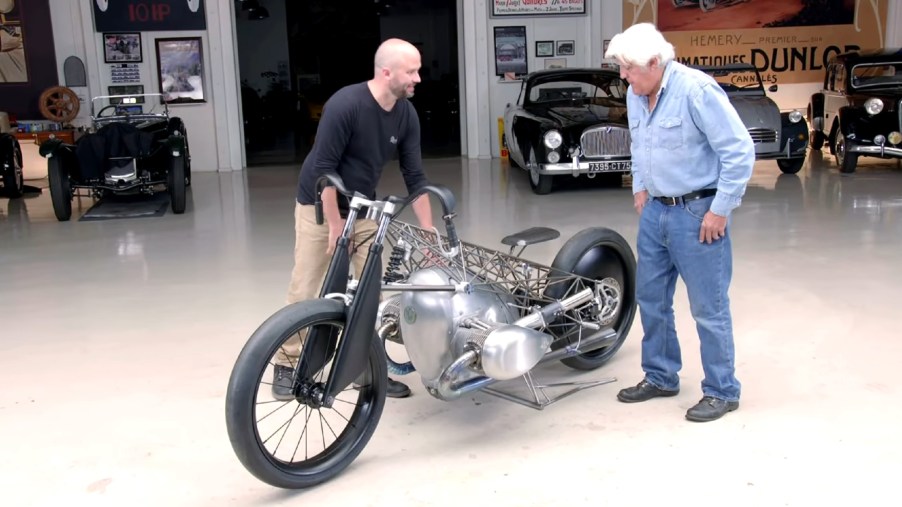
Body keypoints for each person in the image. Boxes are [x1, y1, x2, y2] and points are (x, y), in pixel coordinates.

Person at [604, 23, 754, 422]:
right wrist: (640, 187)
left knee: (709, 307)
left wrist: (719, 210)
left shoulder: (697, 91)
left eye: (628, 68)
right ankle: (660, 376)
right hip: (655, 212)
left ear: (655, 62)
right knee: (651, 300)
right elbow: (640, 143)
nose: (623, 76)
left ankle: (722, 390)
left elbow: (739, 151)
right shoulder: (638, 92)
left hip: (698, 214)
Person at [273, 38, 434, 401]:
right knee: (308, 287)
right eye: (412, 71)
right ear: (386, 71)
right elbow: (324, 171)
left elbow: (416, 178)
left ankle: (365, 368)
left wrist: (429, 230)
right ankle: (286, 364)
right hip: (319, 205)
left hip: (363, 208)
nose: (418, 79)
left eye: (418, 70)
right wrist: (333, 225)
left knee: (369, 294)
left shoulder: (405, 114)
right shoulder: (346, 105)